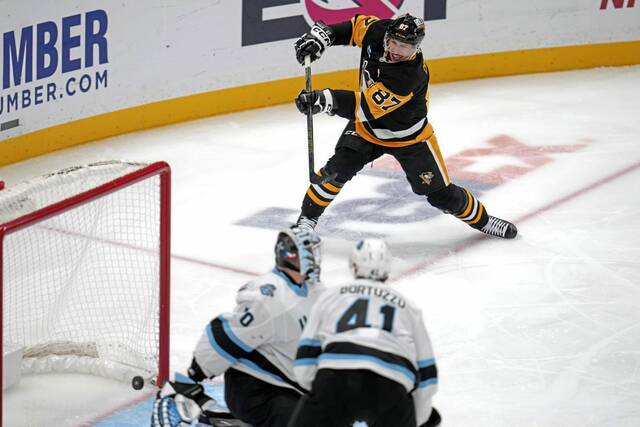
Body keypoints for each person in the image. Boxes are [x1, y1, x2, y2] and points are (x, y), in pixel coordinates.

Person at [293, 13, 517, 239]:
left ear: (417, 48)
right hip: (366, 129)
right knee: (334, 173)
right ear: (387, 37)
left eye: (406, 47)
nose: (398, 51)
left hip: (410, 139)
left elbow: (365, 107)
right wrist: (323, 37)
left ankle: (484, 221)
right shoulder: (377, 31)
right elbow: (353, 28)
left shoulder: (409, 75)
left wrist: (324, 99)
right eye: (394, 43)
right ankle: (307, 219)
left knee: (442, 196)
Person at [151, 226, 324, 427]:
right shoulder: (269, 298)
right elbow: (225, 337)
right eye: (312, 252)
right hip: (255, 389)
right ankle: (190, 408)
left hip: (287, 385)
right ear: (294, 256)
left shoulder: (314, 290)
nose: (316, 258)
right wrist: (192, 378)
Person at [288, 239, 441, 427]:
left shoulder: (331, 296)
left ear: (353, 265)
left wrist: (320, 393)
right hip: (391, 388)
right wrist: (413, 419)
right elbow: (428, 376)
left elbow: (304, 360)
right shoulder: (409, 307)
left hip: (335, 380)